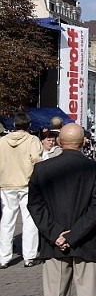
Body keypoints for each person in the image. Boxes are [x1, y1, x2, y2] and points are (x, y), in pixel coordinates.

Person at [27, 123, 96, 296]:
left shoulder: (42, 169)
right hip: (86, 240)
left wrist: (55, 234)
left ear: (60, 142)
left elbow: (35, 205)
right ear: (83, 142)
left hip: (53, 242)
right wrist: (73, 235)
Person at [0, 112, 43, 268]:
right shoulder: (32, 140)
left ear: (14, 125)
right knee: (29, 219)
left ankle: (3, 258)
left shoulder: (2, 141)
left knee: (6, 221)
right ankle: (29, 257)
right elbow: (37, 159)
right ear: (29, 125)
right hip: (27, 184)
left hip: (6, 184)